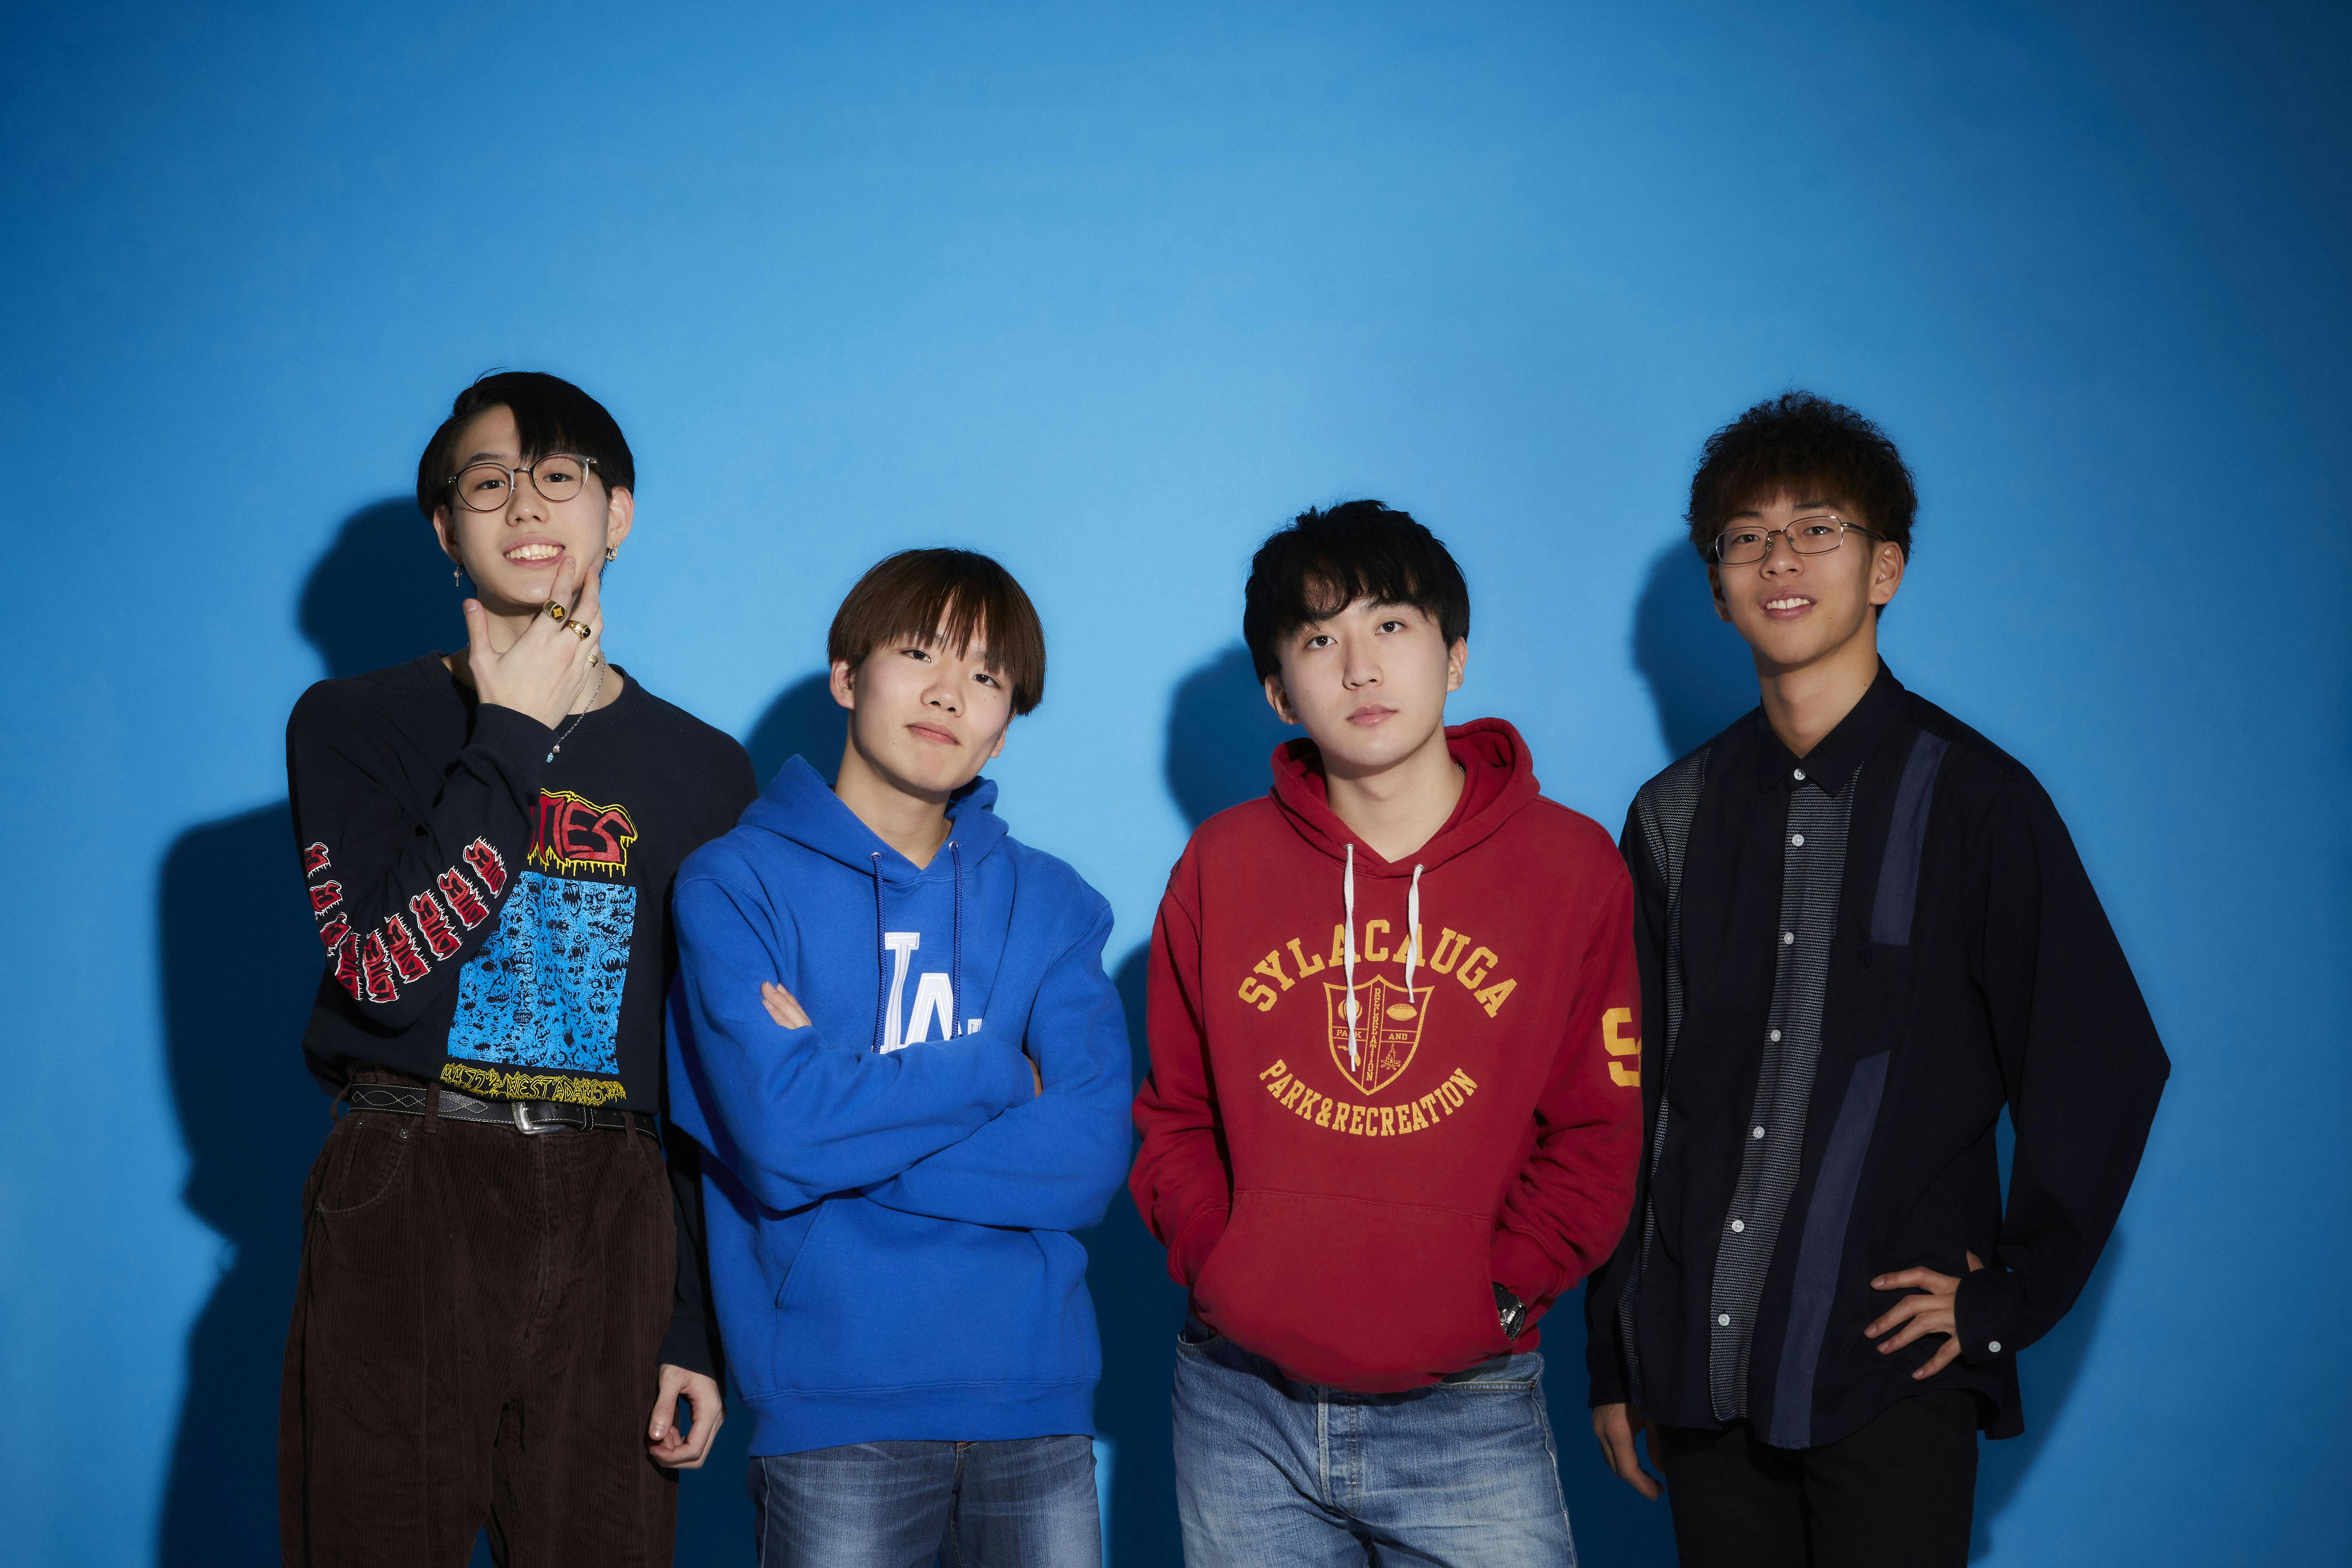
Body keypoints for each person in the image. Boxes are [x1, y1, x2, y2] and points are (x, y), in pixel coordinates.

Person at [1583, 392, 2171, 1566]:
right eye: (1747, 537)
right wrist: (1617, 1350)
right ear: (1718, 589)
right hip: (1702, 1371)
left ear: (1885, 568)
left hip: (1888, 1380)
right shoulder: (1670, 820)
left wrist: (2003, 1301)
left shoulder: (1979, 804)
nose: (1780, 559)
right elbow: (1630, 1099)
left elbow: (2102, 1060)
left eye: (1818, 529)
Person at [278, 372, 754, 1565]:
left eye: (558, 476)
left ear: (617, 514)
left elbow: (701, 1067)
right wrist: (513, 733)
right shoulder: (352, 724)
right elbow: (383, 973)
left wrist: (693, 1324)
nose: (526, 504)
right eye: (487, 483)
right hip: (413, 1179)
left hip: (614, 1209)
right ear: (447, 530)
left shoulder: (703, 771)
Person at [1129, 500, 1642, 1566]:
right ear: (1280, 692)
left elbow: (1598, 1131)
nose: (1360, 668)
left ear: (1455, 657)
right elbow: (1174, 1114)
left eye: (1392, 626)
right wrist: (1226, 1269)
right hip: (1240, 1404)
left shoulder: (1572, 869)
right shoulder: (1222, 866)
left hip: (1469, 1402)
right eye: (1319, 640)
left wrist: (1496, 1296)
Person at [666, 548, 1132, 1568]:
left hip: (1036, 1410)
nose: (948, 693)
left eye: (985, 675)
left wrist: (837, 1118)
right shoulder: (733, 886)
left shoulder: (1055, 905)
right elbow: (781, 1138)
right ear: (847, 675)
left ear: (1004, 724)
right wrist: (999, 1075)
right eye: (920, 654)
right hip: (834, 1415)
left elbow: (1090, 1156)